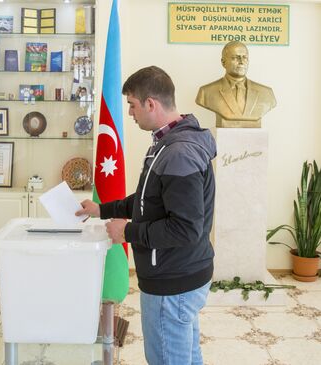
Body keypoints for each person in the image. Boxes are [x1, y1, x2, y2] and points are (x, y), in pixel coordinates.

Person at [76, 66, 216, 365]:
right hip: (181, 274)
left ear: (151, 103)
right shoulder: (168, 142)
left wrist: (127, 233)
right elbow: (147, 202)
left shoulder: (179, 152)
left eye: (132, 105)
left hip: (173, 281)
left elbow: (185, 229)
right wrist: (103, 210)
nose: (130, 113)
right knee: (187, 356)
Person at [195, 41, 276, 128]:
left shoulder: (266, 93)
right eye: (235, 58)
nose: (241, 62)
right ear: (223, 62)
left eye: (245, 57)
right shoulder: (206, 92)